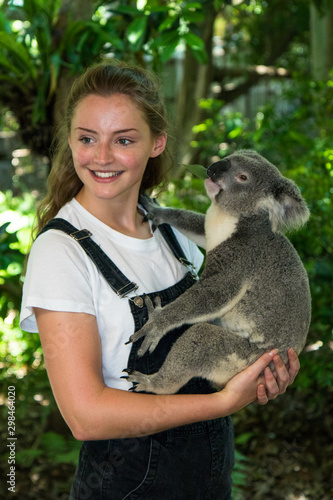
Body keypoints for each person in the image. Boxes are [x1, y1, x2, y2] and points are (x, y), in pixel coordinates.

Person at [20, 59, 300, 500]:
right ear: (69, 140)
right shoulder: (61, 252)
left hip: (208, 479)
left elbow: (210, 346)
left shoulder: (173, 233)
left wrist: (257, 374)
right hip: (126, 485)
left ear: (156, 143)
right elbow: (85, 417)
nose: (103, 157)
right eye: (87, 138)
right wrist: (222, 404)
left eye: (124, 139)